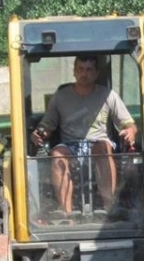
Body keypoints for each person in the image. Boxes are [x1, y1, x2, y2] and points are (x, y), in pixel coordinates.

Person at [30, 55, 137, 215]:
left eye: (89, 70)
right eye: (80, 69)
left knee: (103, 148)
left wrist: (130, 131)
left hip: (98, 143)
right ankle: (67, 214)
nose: (84, 74)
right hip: (70, 145)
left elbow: (129, 124)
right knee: (57, 154)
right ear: (74, 72)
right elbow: (46, 126)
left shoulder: (108, 95)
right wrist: (39, 134)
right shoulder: (60, 97)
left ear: (96, 73)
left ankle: (109, 210)